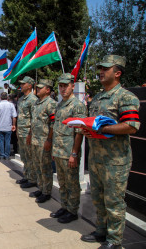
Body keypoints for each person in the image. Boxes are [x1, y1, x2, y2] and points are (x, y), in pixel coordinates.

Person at [80, 55, 140, 249]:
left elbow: (131, 126)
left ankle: (114, 240)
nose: (101, 72)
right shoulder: (97, 98)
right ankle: (101, 231)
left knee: (114, 201)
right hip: (96, 158)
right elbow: (93, 122)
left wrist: (102, 130)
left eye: (105, 69)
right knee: (97, 198)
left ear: (118, 73)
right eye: (100, 68)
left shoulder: (126, 97)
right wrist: (87, 128)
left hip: (115, 161)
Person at [50, 73, 87, 224]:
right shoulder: (59, 105)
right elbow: (57, 128)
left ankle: (72, 211)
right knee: (62, 182)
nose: (63, 89)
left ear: (73, 86)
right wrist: (54, 150)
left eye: (66, 85)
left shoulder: (77, 106)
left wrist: (74, 153)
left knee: (72, 183)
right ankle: (64, 206)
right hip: (59, 151)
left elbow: (79, 132)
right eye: (61, 86)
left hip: (69, 152)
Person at [28, 79, 57, 203]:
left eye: (40, 87)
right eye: (37, 87)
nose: (37, 89)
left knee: (45, 167)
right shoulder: (36, 103)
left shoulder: (51, 103)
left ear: (48, 90)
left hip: (44, 140)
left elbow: (53, 123)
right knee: (37, 166)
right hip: (35, 139)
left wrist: (49, 140)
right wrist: (29, 134)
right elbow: (33, 121)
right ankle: (41, 187)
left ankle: (47, 191)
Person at [17, 76, 38, 188]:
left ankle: (32, 179)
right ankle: (26, 176)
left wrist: (30, 133)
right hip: (21, 131)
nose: (21, 85)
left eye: (23, 84)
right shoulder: (21, 99)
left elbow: (34, 119)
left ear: (29, 85)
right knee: (24, 156)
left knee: (30, 157)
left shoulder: (33, 100)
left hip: (28, 132)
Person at [0, 92, 17, 160]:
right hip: (8, 126)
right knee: (7, 141)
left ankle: (1, 155)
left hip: (0, 126)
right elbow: (14, 116)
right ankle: (6, 155)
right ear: (7, 97)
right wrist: (14, 125)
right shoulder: (11, 105)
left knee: (1, 141)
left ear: (0, 98)